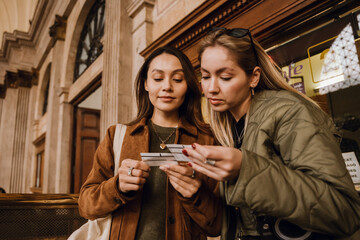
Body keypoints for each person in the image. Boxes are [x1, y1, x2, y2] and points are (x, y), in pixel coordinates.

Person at [183, 28, 360, 239]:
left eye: (225, 77)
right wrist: (194, 190)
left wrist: (246, 169)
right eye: (204, 76)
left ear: (254, 77)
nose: (210, 88)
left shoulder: (288, 112)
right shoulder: (227, 127)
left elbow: (344, 211)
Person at [78, 45, 222, 240]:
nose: (167, 87)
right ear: (146, 83)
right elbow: (86, 206)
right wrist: (117, 186)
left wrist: (196, 194)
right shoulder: (117, 136)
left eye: (177, 79)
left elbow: (219, 225)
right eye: (157, 78)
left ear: (188, 84)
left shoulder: (207, 140)